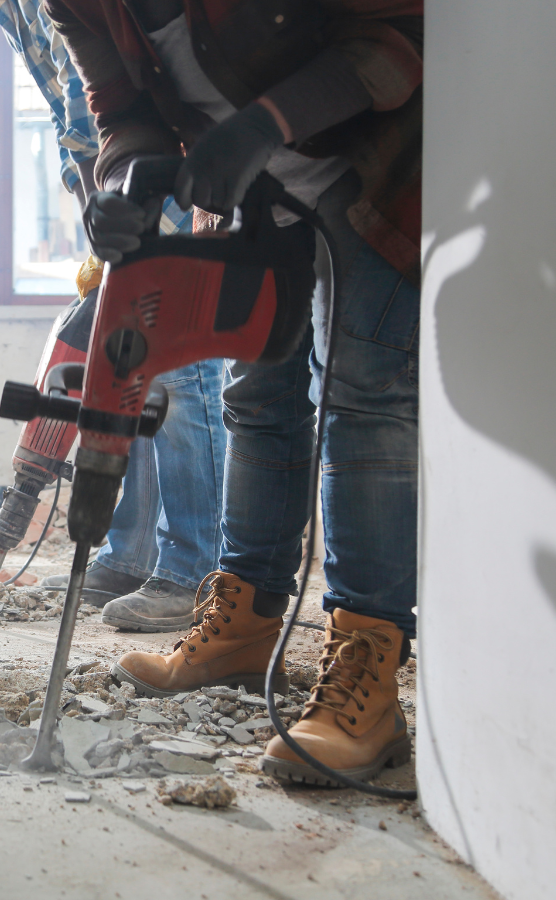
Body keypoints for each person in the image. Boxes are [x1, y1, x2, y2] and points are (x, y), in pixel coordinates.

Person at [45, 0, 422, 784]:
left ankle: (368, 682)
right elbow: (121, 112)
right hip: (255, 193)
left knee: (363, 398)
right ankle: (244, 630)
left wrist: (264, 123)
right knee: (255, 397)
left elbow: (399, 42)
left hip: (378, 167)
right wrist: (123, 182)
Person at [0, 0, 228, 632]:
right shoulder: (12, 9)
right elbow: (69, 112)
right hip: (120, 178)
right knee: (131, 368)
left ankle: (194, 569)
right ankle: (132, 555)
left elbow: (126, 86)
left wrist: (129, 200)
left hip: (178, 162)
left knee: (180, 367)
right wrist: (97, 212)